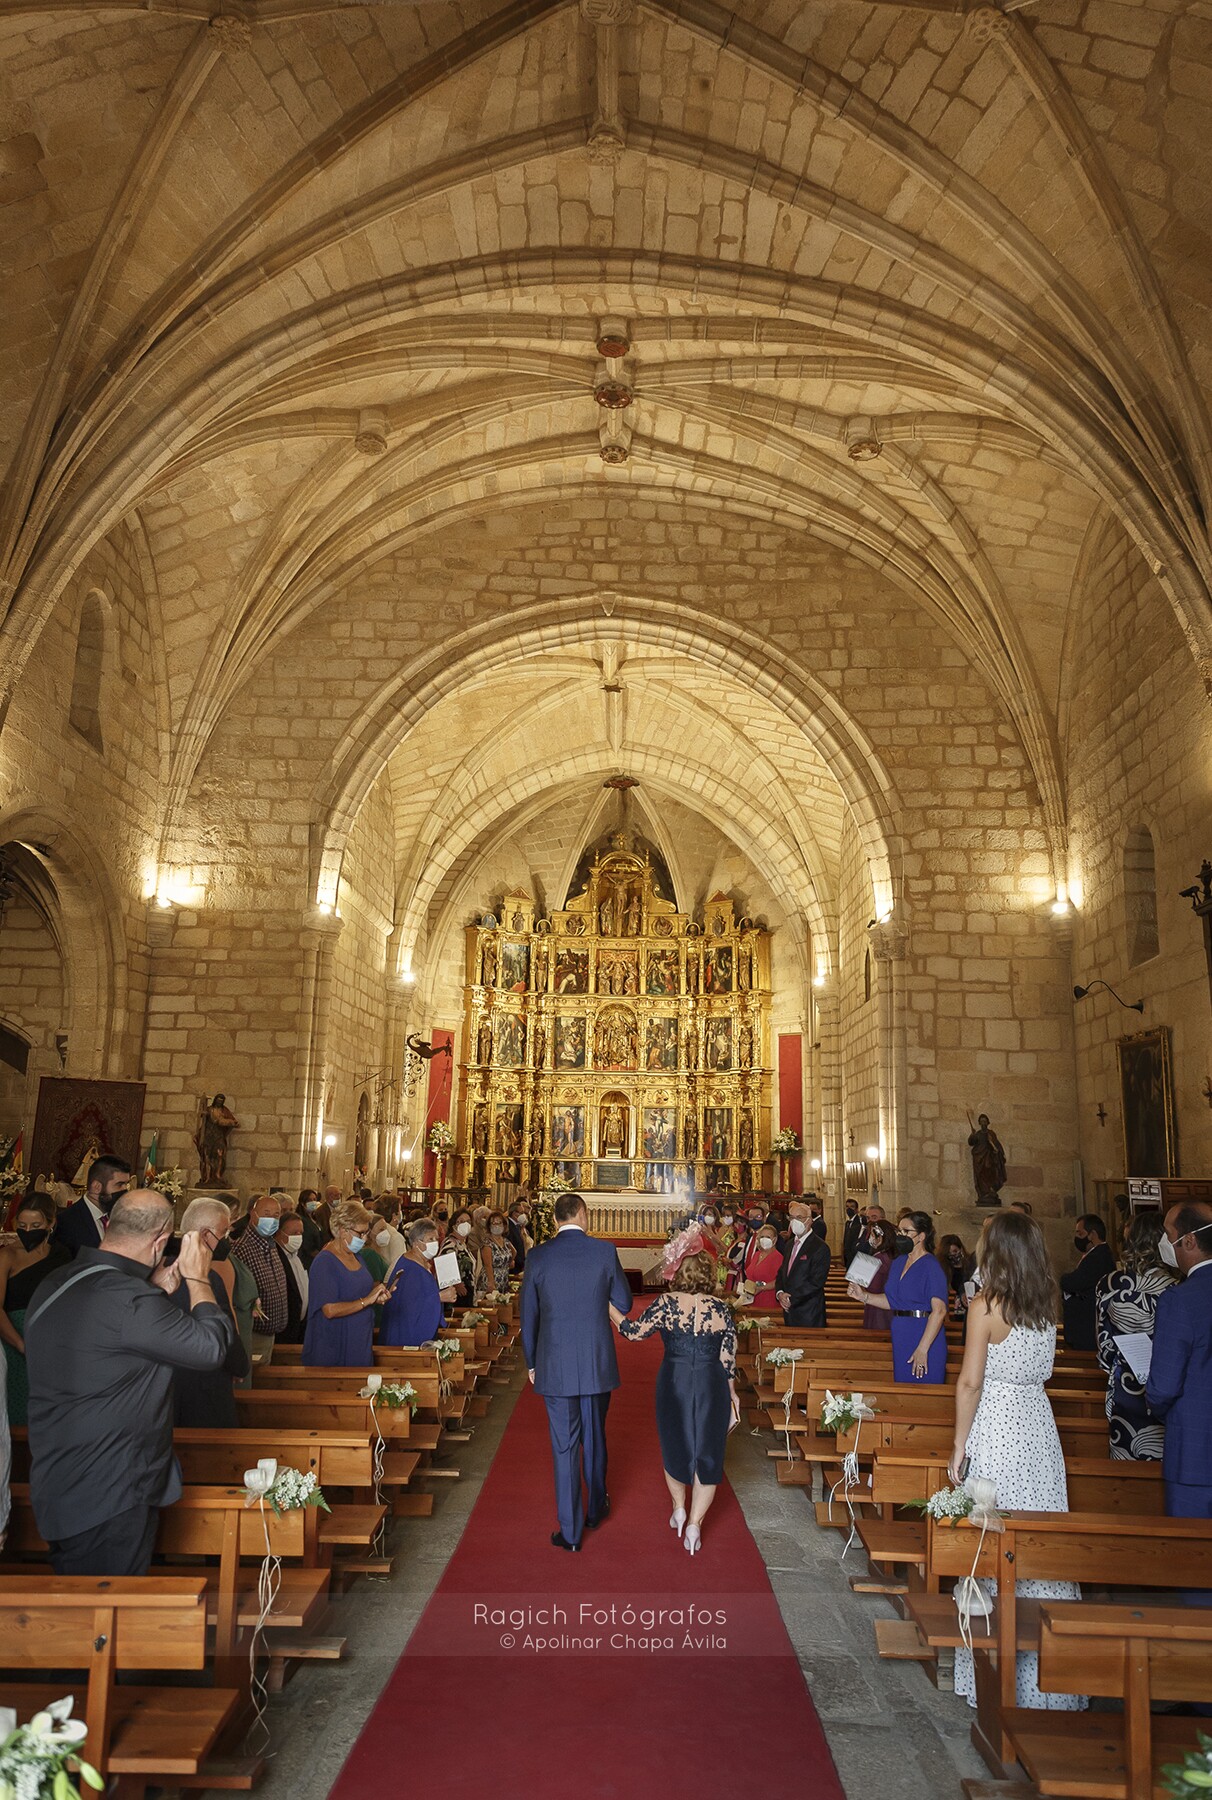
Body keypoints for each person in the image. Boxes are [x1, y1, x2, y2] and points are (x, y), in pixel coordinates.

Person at [24, 1190, 233, 1576]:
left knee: (85, 1607)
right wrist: (197, 1278)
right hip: (112, 1488)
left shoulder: (59, 1280)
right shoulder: (130, 1301)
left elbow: (106, 1344)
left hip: (60, 1478)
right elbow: (211, 1349)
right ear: (159, 1240)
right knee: (104, 1622)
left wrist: (155, 1290)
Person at [950, 1211, 1084, 1712]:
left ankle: (994, 1676)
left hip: (998, 1426)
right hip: (1039, 1428)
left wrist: (960, 1444)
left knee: (993, 1539)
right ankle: (1049, 1684)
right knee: (1040, 1541)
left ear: (997, 1250)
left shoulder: (987, 1305)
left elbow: (970, 1381)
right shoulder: (1044, 1301)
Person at [520, 1193, 632, 1551]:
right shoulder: (603, 1251)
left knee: (564, 1446)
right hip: (596, 1359)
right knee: (595, 1435)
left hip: (554, 1363)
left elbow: (529, 1316)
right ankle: (596, 1509)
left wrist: (532, 1363)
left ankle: (569, 1533)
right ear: (582, 1214)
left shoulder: (538, 1256)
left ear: (555, 1220)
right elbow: (625, 1303)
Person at [613, 1240, 737, 1555]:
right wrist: (733, 1397)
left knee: (675, 1444)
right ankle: (694, 1525)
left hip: (674, 1380)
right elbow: (728, 1358)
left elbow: (632, 1331)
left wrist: (607, 1305)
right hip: (712, 1383)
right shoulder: (721, 1308)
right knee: (708, 1453)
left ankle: (679, 1508)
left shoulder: (667, 1303)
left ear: (679, 1273)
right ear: (709, 1275)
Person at [1147, 1201, 1212, 1523]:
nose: (1163, 1243)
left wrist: (1157, 1407)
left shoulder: (1180, 1299)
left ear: (1189, 1241)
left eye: (1167, 1235)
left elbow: (1164, 1386)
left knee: (1192, 1559)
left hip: (1195, 1451)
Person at [1096, 1210, 1175, 1461]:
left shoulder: (1108, 1284)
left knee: (1126, 1461)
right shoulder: (1177, 1287)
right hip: (1168, 1386)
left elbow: (1104, 1349)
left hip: (1126, 1387)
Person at [171, 1198, 248, 1427]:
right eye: (223, 1233)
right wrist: (239, 1366)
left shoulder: (161, 1270)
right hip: (205, 1389)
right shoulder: (209, 1279)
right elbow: (225, 1331)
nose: (227, 1240)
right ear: (205, 1234)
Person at [0, 1195, 72, 1425]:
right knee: (17, 1411)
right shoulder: (7, 1255)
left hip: (53, 1344)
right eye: (22, 1226)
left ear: (51, 1224)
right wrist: (21, 1345)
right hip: (14, 1341)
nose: (28, 1230)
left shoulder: (61, 1255)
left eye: (36, 1226)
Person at [853, 1210, 948, 1381]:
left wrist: (922, 1348)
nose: (901, 1235)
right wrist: (864, 1296)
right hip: (901, 1333)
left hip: (924, 1334)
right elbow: (893, 1301)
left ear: (921, 1236)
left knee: (924, 1391)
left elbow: (939, 1311)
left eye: (906, 1231)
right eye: (899, 1231)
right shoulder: (899, 1262)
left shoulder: (931, 1266)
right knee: (903, 1387)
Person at [303, 1200, 391, 1367]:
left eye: (367, 1232)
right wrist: (367, 1301)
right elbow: (329, 1309)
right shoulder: (325, 1262)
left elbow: (358, 1288)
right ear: (343, 1231)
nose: (365, 1239)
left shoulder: (355, 1255)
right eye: (361, 1233)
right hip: (335, 1341)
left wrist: (377, 1294)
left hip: (359, 1338)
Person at [231, 1192, 290, 1371]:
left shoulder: (270, 1244)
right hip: (253, 1333)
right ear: (253, 1215)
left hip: (271, 1333)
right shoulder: (242, 1249)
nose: (271, 1220)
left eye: (276, 1215)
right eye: (266, 1214)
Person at [381, 1217, 456, 1346]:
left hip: (417, 1331)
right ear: (416, 1243)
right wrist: (438, 1297)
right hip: (406, 1336)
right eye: (430, 1239)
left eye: (436, 1239)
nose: (435, 1243)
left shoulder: (422, 1263)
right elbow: (407, 1305)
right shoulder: (409, 1269)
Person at [55, 1155, 132, 1253]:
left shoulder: (122, 1217)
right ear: (96, 1187)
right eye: (120, 1184)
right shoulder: (66, 1222)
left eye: (126, 1184)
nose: (125, 1190)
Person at [1060, 1214, 1115, 1351]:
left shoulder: (1097, 1257)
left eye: (1080, 1233)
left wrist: (1063, 1279)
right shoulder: (1098, 1254)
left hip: (1087, 1326)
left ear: (1092, 1234)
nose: (1077, 1238)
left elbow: (1074, 1282)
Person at [775, 1198, 830, 1327]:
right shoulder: (789, 1244)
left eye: (799, 1217)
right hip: (789, 1310)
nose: (795, 1221)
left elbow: (816, 1282)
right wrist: (780, 1293)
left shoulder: (820, 1247)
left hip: (809, 1311)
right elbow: (782, 1272)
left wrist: (791, 1298)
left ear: (809, 1220)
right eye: (792, 1217)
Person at [275, 1212, 309, 1346]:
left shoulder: (295, 1255)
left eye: (301, 1232)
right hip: (285, 1329)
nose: (298, 1237)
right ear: (279, 1233)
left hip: (299, 1326)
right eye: (294, 1233)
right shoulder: (276, 1256)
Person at [858, 1218, 895, 1332]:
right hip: (891, 1305)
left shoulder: (878, 1258)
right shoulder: (894, 1254)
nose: (870, 1239)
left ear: (880, 1237)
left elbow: (873, 1287)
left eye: (871, 1235)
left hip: (878, 1307)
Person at [738, 1220, 783, 1310]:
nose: (764, 1239)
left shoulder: (778, 1257)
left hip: (767, 1300)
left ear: (775, 1239)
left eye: (768, 1237)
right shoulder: (757, 1254)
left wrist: (761, 1288)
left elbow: (778, 1281)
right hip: (751, 1300)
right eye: (762, 1236)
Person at [940, 1234, 976, 1318]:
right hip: (951, 1309)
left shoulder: (970, 1264)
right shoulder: (943, 1269)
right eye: (949, 1253)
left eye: (955, 1251)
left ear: (961, 1249)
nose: (953, 1255)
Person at [370, 1197, 406, 1272]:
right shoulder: (396, 1237)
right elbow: (399, 1267)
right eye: (399, 1210)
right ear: (394, 1215)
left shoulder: (372, 1229)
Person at [485, 1210, 516, 1294]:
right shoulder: (487, 1243)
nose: (496, 1226)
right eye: (493, 1223)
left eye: (499, 1223)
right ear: (489, 1226)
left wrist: (509, 1261)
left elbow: (514, 1252)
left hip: (504, 1278)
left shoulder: (505, 1241)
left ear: (504, 1225)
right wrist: (491, 1283)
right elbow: (488, 1265)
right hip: (493, 1280)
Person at [296, 1189, 324, 1262]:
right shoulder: (301, 1219)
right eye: (309, 1200)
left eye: (314, 1199)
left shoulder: (314, 1218)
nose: (313, 1202)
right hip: (308, 1258)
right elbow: (306, 1243)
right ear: (302, 1203)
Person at [842, 1198, 865, 1267]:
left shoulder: (858, 1223)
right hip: (847, 1257)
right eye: (847, 1207)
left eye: (852, 1207)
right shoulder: (847, 1223)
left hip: (853, 1257)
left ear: (857, 1209)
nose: (849, 1209)